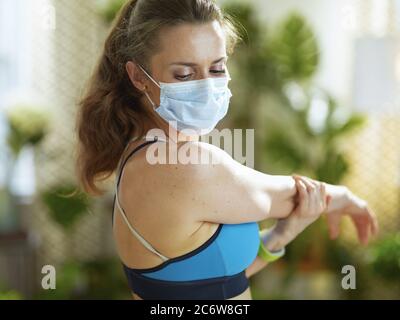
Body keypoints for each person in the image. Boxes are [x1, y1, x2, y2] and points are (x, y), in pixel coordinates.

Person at [75, 0, 378, 300]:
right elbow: (293, 194)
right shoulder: (186, 165)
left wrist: (282, 235)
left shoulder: (137, 156)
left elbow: (212, 283)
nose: (207, 86)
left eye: (217, 68)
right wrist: (346, 198)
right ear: (138, 76)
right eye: (184, 74)